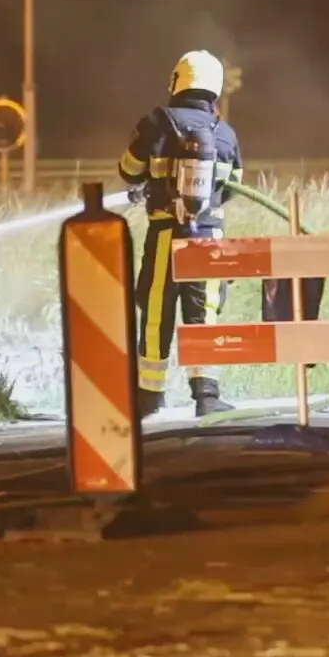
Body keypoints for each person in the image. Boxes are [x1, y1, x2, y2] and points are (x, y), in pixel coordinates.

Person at [117, 49, 244, 418]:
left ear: (177, 81)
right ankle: (206, 396)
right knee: (203, 312)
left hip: (163, 234)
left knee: (157, 309)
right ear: (214, 88)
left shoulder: (156, 123)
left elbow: (128, 169)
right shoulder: (225, 134)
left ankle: (149, 396)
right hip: (208, 239)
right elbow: (233, 187)